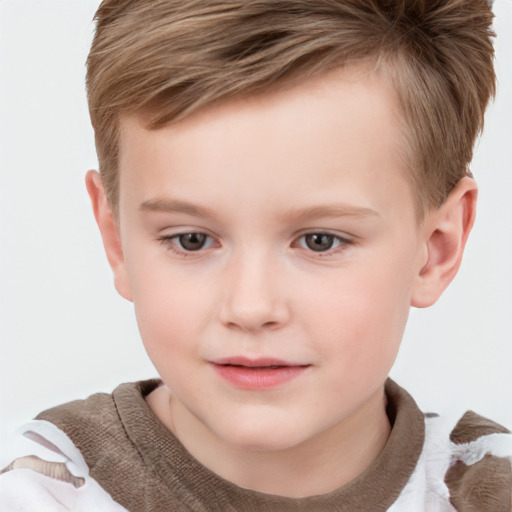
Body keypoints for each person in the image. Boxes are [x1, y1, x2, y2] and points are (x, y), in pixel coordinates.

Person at [1, 0, 510, 510]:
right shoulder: (42, 492)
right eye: (191, 239)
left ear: (436, 248)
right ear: (117, 239)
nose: (251, 308)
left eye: (320, 241)